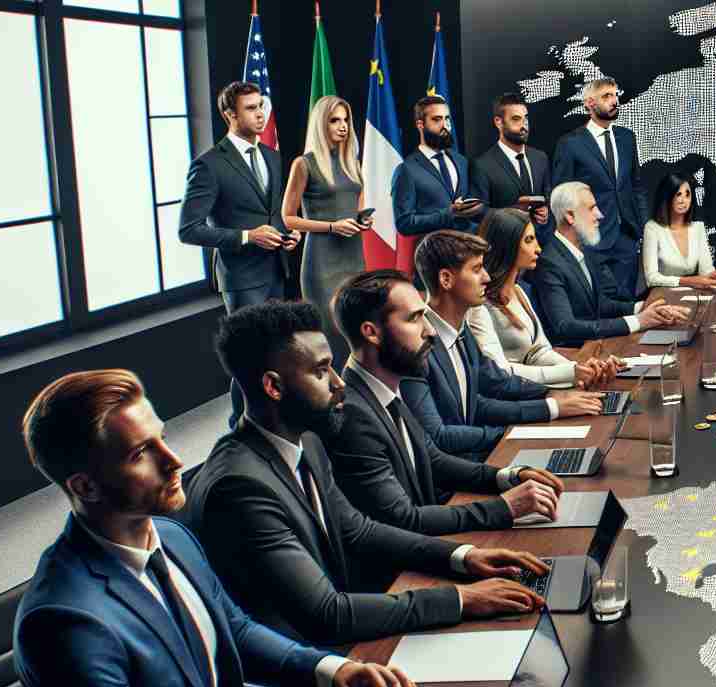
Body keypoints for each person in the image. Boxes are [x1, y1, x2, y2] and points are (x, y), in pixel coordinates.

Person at [14, 369, 465, 687]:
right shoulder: (64, 622)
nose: (173, 461)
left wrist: (332, 669)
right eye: (140, 454)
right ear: (85, 487)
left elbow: (236, 629)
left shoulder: (169, 535)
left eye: (162, 438)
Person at [186, 300, 548, 647]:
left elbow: (357, 530)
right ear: (273, 386)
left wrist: (463, 556)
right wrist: (459, 600)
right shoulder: (238, 486)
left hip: (351, 633)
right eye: (320, 371)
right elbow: (326, 613)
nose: (338, 383)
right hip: (314, 673)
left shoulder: (306, 442)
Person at [328, 268, 566, 536]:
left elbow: (433, 460)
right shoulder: (352, 416)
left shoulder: (383, 389)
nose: (430, 331)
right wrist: (504, 507)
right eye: (415, 319)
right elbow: (403, 519)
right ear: (372, 333)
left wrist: (509, 476)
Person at [406, 230, 605, 459]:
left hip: (477, 459)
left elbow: (496, 384)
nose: (487, 278)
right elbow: (440, 436)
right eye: (476, 269)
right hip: (454, 479)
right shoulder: (416, 346)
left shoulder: (462, 331)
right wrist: (523, 427)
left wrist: (555, 397)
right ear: (446, 279)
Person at [179, 80, 299, 428]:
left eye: (262, 105)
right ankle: (241, 427)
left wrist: (286, 236)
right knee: (250, 357)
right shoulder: (209, 165)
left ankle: (271, 423)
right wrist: (247, 236)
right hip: (242, 278)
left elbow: (272, 214)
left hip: (276, 268)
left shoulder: (273, 156)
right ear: (229, 114)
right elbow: (189, 230)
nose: (261, 113)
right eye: (251, 108)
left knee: (275, 355)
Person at [469, 207, 623, 389]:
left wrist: (580, 369)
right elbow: (500, 371)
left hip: (537, 389)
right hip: (517, 398)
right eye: (529, 240)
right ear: (507, 246)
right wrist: (571, 372)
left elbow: (539, 351)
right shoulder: (479, 305)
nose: (538, 248)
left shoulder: (518, 291)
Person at [537, 182, 690, 344]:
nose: (600, 215)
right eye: (591, 208)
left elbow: (600, 305)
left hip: (598, 345)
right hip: (578, 356)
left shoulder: (585, 251)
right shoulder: (549, 262)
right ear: (570, 216)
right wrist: (638, 321)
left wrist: (643, 308)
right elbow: (566, 326)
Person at [281, 95, 368, 364]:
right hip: (322, 263)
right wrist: (331, 226)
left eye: (345, 120)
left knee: (356, 327)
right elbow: (288, 218)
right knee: (330, 332)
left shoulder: (351, 161)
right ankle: (333, 398)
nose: (342, 126)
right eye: (334, 120)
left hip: (354, 257)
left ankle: (359, 395)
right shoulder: (304, 164)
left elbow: (357, 206)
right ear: (321, 124)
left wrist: (362, 220)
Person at [551, 78, 646, 299]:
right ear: (589, 103)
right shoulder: (570, 144)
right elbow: (561, 195)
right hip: (591, 240)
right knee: (600, 310)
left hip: (626, 239)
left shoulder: (626, 138)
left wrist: (642, 228)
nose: (614, 101)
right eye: (607, 96)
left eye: (615, 95)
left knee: (627, 305)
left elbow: (636, 187)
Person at [392, 96, 485, 238]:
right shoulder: (406, 170)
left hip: (469, 249)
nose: (445, 126)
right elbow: (404, 224)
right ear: (420, 124)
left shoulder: (462, 161)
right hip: (434, 254)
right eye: (437, 119)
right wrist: (449, 213)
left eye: (447, 119)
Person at [469, 92, 551, 247]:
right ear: (498, 122)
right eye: (516, 119)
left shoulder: (540, 158)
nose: (523, 125)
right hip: (505, 249)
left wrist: (546, 210)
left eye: (525, 118)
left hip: (542, 248)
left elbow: (548, 193)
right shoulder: (482, 165)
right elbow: (478, 213)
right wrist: (512, 212)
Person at [642, 172, 716, 290]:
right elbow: (651, 278)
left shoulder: (698, 227)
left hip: (693, 294)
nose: (683, 200)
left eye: (687, 195)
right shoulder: (652, 228)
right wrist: (689, 281)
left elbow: (706, 271)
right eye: (678, 194)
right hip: (662, 295)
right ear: (667, 197)